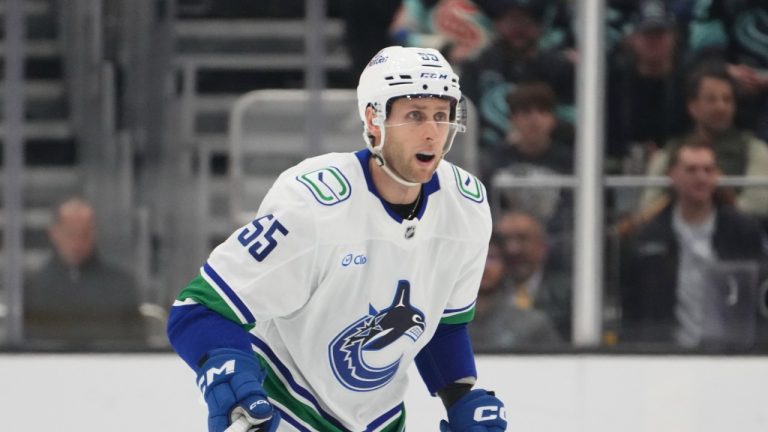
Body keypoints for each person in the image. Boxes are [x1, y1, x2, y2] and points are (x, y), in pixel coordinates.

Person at [167, 46, 507, 431]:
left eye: (441, 116)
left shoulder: (466, 207)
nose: (431, 132)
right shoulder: (313, 203)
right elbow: (196, 309)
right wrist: (225, 368)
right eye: (414, 115)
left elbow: (444, 324)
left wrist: (460, 397)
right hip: (282, 408)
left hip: (379, 421)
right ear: (374, 119)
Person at [620, 139, 768, 347]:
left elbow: (759, 297)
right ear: (672, 175)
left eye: (708, 170)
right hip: (665, 355)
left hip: (732, 355)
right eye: (691, 170)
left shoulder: (742, 231)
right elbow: (634, 307)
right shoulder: (649, 237)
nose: (701, 177)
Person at [639, 61, 768, 218]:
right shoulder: (671, 151)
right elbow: (648, 207)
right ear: (692, 107)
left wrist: (723, 199)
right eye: (711, 99)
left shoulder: (754, 149)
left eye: (727, 99)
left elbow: (758, 207)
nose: (721, 107)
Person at [24, 197, 145, 347]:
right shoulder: (33, 287)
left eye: (84, 234)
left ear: (94, 233)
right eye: (71, 233)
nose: (77, 242)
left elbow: (136, 344)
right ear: (54, 233)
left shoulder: (121, 285)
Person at [469, 232, 562, 351]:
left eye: (492, 258)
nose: (484, 266)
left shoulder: (532, 325)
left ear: (506, 265)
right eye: (475, 258)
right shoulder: (443, 322)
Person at [494, 210, 571, 341]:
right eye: (505, 240)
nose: (513, 249)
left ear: (543, 246)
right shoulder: (481, 296)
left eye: (522, 238)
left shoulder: (568, 295)